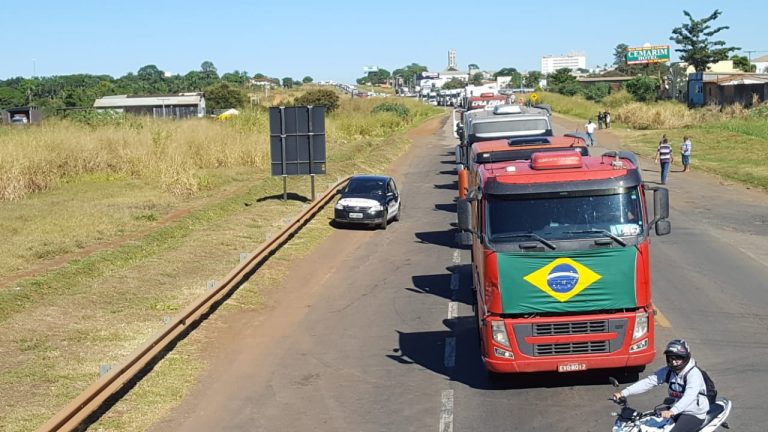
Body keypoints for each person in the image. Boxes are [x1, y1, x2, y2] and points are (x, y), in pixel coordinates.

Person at [612, 340, 709, 432]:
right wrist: (624, 392)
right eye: (671, 358)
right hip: (674, 408)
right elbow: (649, 382)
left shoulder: (693, 374)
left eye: (678, 358)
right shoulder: (669, 371)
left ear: (685, 357)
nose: (674, 362)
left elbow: (689, 396)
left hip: (693, 412)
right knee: (644, 423)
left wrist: (673, 411)